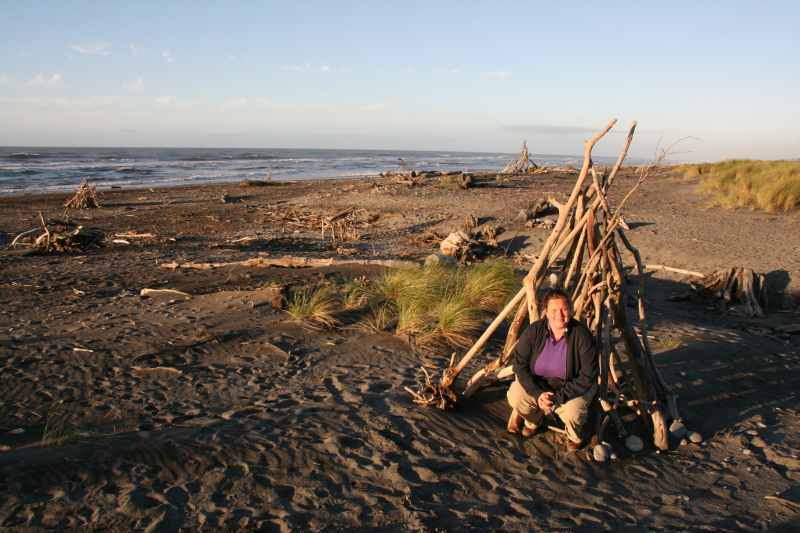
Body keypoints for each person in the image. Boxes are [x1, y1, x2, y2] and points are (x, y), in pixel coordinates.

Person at [506, 288, 598, 450]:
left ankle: (574, 436)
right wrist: (538, 393)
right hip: (540, 385)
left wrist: (557, 397)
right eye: (554, 310)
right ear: (546, 312)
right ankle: (533, 421)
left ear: (570, 310)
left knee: (573, 413)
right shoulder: (534, 332)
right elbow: (519, 365)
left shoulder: (582, 336)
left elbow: (587, 376)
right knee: (516, 396)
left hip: (572, 388)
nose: (559, 314)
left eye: (564, 309)